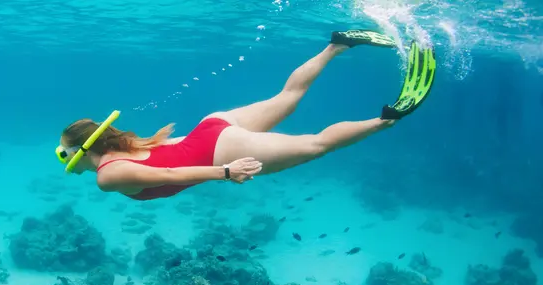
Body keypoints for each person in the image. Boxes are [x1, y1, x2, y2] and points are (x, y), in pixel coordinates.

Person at [55, 30, 436, 201]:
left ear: (82, 149)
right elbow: (172, 153)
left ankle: (389, 117)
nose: (64, 160)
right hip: (212, 129)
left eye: (63, 153)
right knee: (288, 96)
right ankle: (337, 45)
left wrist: (226, 171)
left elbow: (171, 173)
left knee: (317, 144)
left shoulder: (108, 176)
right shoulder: (127, 145)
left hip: (222, 152)